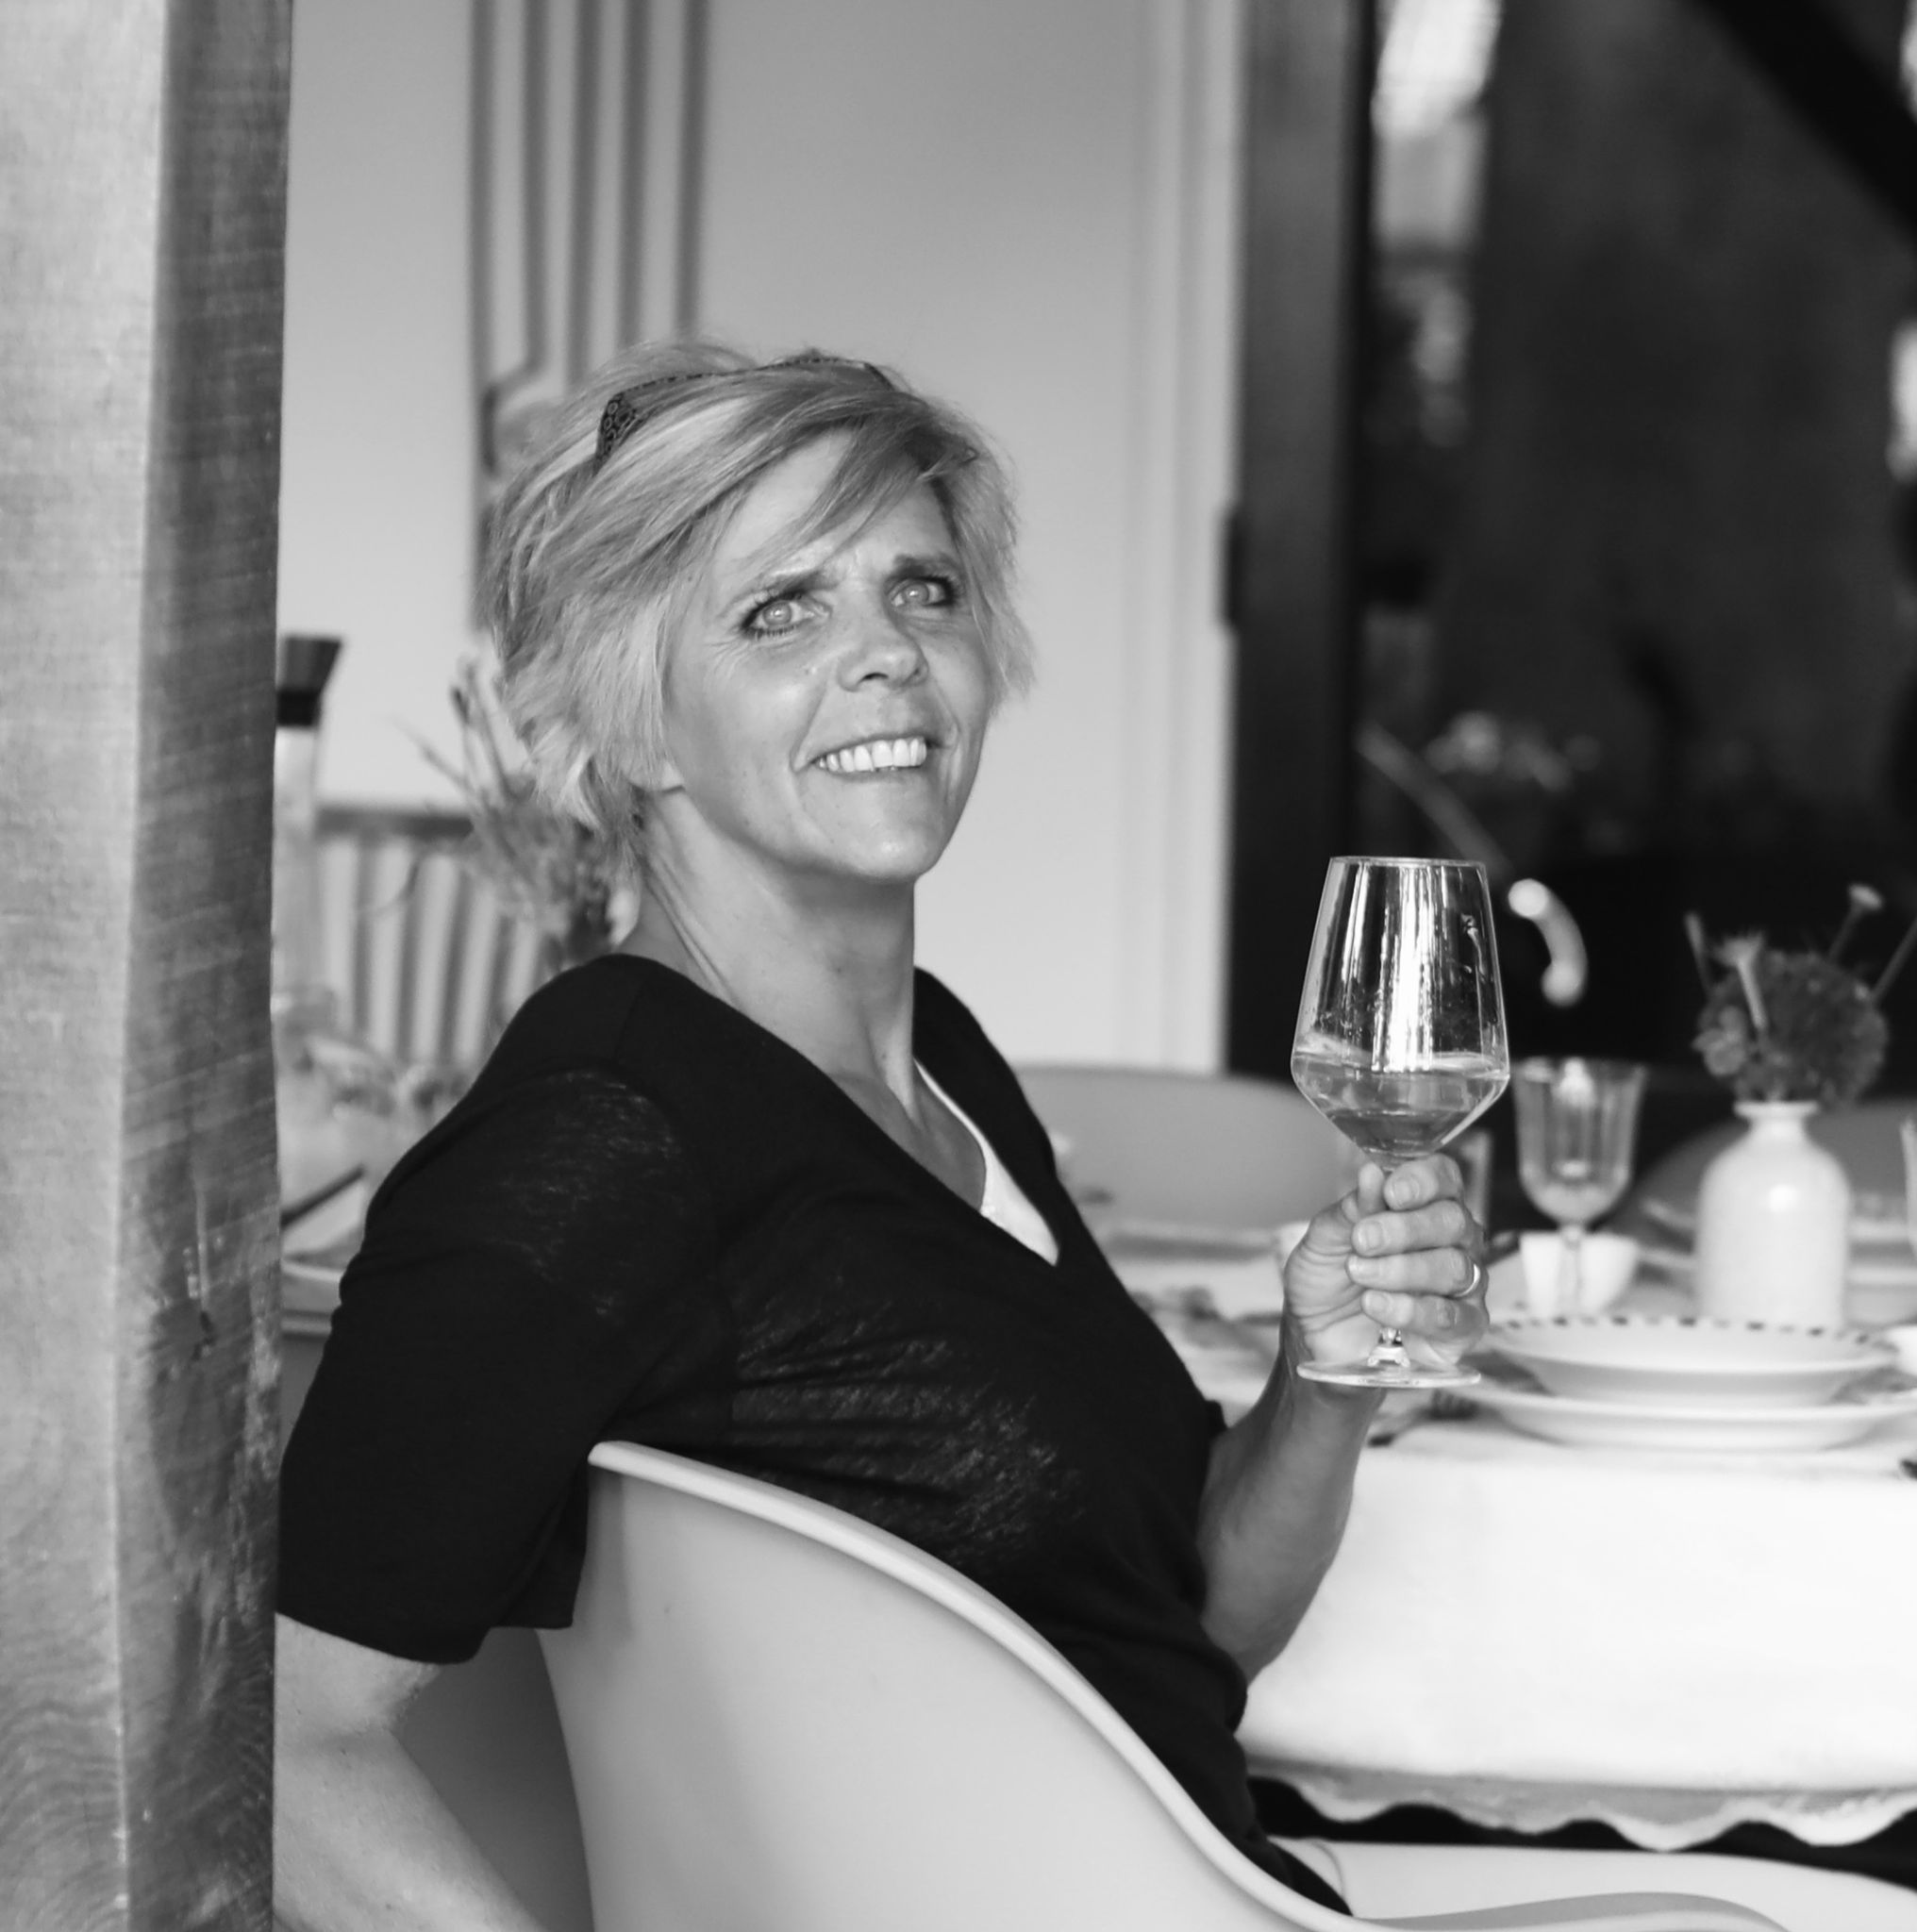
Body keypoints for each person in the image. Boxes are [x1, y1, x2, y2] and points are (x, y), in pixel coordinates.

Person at [274, 341, 1488, 1930]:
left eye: (923, 592)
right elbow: (281, 1741)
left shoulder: (940, 1066)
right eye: (782, 610)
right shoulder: (604, 1137)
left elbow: (1185, 1641)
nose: (889, 658)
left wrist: (1326, 1380)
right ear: (635, 728)